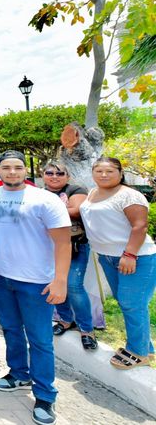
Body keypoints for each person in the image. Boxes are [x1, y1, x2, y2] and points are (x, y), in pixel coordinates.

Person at [0, 151, 71, 425]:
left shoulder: (45, 199)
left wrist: (60, 281)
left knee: (40, 339)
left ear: (26, 171)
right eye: (6, 167)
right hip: (0, 277)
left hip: (36, 282)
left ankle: (45, 394)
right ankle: (19, 373)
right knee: (10, 330)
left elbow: (63, 243)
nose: (12, 172)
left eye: (17, 167)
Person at [80, 157, 156, 370]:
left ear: (120, 173)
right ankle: (145, 347)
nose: (103, 175)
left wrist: (130, 254)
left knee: (132, 303)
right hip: (107, 257)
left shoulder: (129, 195)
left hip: (135, 258)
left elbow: (140, 226)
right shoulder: (93, 193)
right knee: (127, 304)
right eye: (99, 171)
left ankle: (138, 352)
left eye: (109, 171)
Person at [42, 160, 97, 349]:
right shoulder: (40, 193)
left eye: (59, 173)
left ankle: (87, 329)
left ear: (67, 176)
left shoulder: (75, 189)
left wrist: (47, 211)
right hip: (48, 247)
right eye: (50, 173)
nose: (54, 177)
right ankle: (65, 320)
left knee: (73, 286)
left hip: (75, 246)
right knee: (55, 282)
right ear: (43, 176)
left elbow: (76, 211)